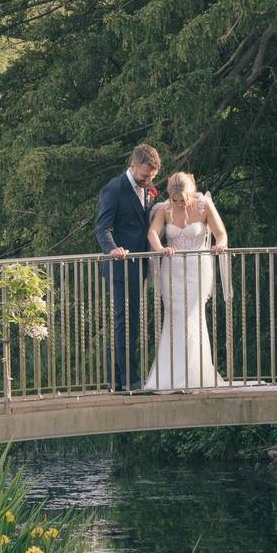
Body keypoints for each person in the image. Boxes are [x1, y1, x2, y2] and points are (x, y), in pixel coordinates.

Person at [144, 171, 228, 390]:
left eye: (183, 200)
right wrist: (161, 248)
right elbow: (152, 233)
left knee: (194, 316)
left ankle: (197, 374)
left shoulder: (204, 206)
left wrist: (219, 245)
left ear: (192, 193)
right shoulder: (165, 209)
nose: (180, 204)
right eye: (175, 200)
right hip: (172, 271)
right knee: (174, 317)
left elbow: (221, 233)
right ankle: (170, 376)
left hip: (197, 269)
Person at [95, 143, 161, 391]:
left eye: (152, 178)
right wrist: (113, 249)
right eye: (145, 176)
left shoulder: (146, 188)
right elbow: (103, 228)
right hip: (120, 267)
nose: (148, 182)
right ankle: (131, 381)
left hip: (138, 267)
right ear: (132, 165)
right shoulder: (113, 189)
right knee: (125, 325)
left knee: (128, 323)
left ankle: (116, 381)